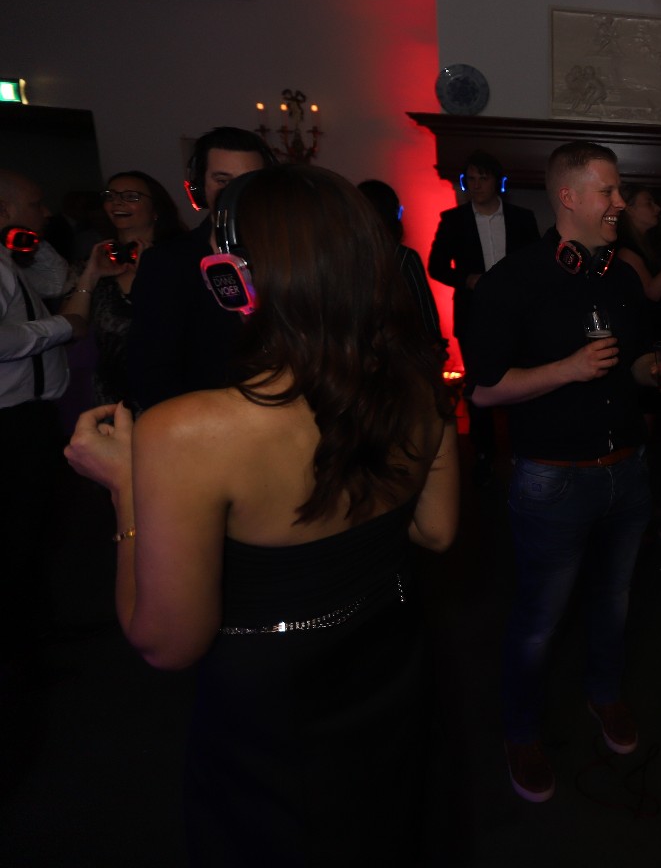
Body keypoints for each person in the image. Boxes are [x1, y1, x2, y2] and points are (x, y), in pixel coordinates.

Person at [63, 165, 459, 865]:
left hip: (275, 714)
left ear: (232, 278)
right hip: (389, 664)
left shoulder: (185, 431)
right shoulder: (418, 387)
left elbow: (165, 644)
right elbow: (436, 530)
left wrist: (126, 486)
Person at [465, 141, 661, 804]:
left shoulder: (621, 276)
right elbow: (483, 390)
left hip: (628, 472)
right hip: (552, 480)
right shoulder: (513, 281)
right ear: (568, 196)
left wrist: (657, 371)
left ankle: (604, 695)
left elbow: (631, 363)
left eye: (618, 192)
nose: (620, 202)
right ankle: (521, 733)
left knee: (614, 602)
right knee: (539, 620)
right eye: (609, 191)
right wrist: (566, 368)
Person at [1, 171, 92, 672]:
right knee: (21, 531)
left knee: (35, 528)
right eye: (35, 204)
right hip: (10, 421)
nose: (48, 212)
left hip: (28, 416)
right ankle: (24, 647)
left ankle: (36, 629)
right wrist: (61, 327)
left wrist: (27, 241)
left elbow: (57, 282)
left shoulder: (10, 256)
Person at [127, 126, 272, 412]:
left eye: (248, 180)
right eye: (222, 180)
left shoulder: (287, 254)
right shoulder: (167, 261)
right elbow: (151, 368)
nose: (235, 192)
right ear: (201, 187)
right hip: (205, 421)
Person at [427, 150, 540, 483]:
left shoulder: (522, 218)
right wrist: (466, 279)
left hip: (516, 313)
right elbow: (435, 266)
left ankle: (523, 447)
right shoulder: (453, 219)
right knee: (478, 383)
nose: (475, 185)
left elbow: (537, 262)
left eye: (482, 178)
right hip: (472, 313)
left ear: (497, 182)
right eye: (470, 179)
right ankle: (483, 453)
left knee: (521, 379)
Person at [57, 171, 186, 405]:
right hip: (113, 397)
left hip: (174, 390)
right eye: (111, 195)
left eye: (131, 196)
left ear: (156, 209)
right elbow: (70, 331)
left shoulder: (181, 260)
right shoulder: (89, 265)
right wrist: (90, 276)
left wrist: (151, 276)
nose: (117, 202)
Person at [357, 178, 443, 348]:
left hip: (359, 349)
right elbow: (425, 311)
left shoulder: (344, 256)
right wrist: (434, 343)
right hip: (397, 348)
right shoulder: (403, 257)